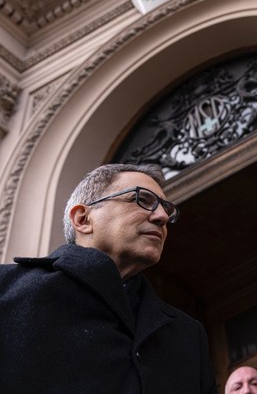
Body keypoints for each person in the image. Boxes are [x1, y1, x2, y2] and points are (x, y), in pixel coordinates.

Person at [0, 163, 217, 394]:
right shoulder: (6, 289)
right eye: (142, 199)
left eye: (166, 209)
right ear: (83, 219)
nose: (162, 217)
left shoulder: (189, 335)